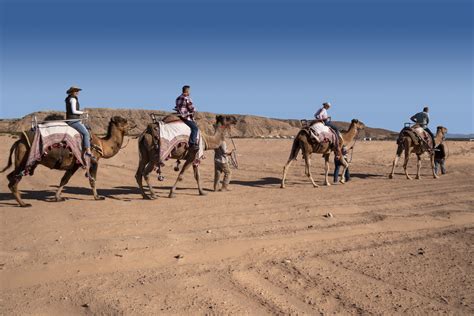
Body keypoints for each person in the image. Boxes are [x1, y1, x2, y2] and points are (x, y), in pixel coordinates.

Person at [65, 86, 94, 159]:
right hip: (73, 121)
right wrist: (83, 112)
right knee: (86, 133)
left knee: (87, 128)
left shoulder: (69, 99)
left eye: (77, 91)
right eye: (76, 91)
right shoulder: (73, 99)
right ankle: (88, 151)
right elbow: (74, 111)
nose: (77, 92)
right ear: (72, 92)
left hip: (73, 120)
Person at [175, 85, 199, 150]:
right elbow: (191, 108)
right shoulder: (187, 98)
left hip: (179, 116)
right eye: (189, 91)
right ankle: (192, 144)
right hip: (185, 117)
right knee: (195, 128)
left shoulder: (178, 98)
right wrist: (195, 110)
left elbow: (177, 107)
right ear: (187, 91)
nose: (190, 92)